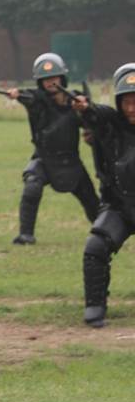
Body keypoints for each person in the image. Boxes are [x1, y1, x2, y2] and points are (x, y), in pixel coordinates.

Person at [4, 52, 100, 244]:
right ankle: (26, 234)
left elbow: (92, 122)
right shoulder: (35, 100)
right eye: (45, 79)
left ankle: (105, 233)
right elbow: (24, 95)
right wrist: (15, 94)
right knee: (32, 186)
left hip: (71, 161)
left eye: (54, 78)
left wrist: (86, 113)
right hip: (44, 159)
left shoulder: (76, 101)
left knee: (92, 201)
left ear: (62, 78)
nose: (50, 82)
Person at [74, 63, 135, 327]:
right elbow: (95, 115)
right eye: (127, 102)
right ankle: (95, 306)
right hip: (119, 206)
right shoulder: (110, 124)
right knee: (95, 247)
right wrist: (85, 108)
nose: (132, 109)